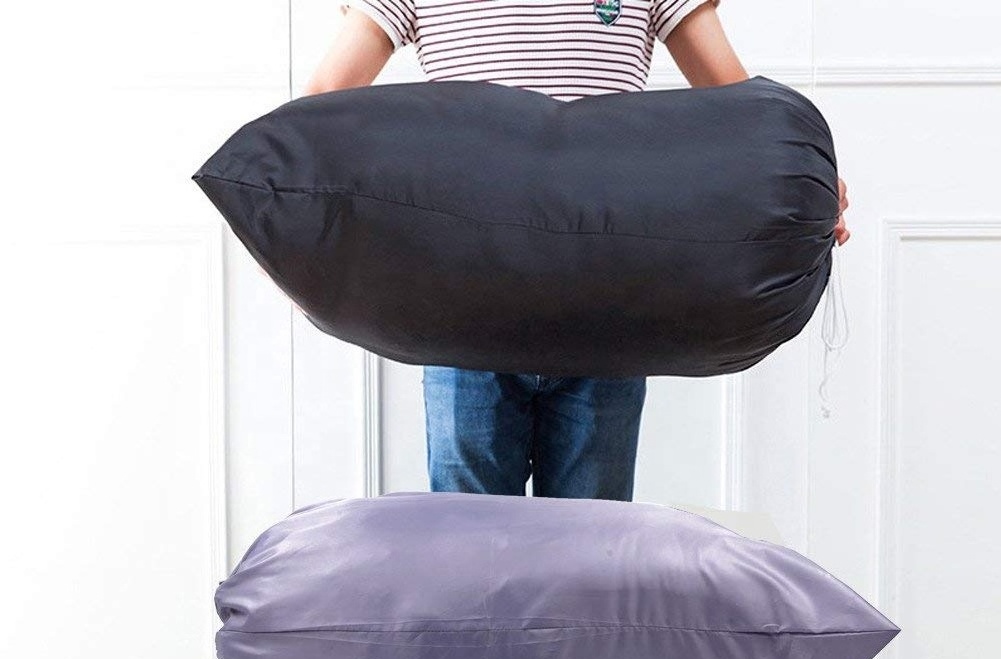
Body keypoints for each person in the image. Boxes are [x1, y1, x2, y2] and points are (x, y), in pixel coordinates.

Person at [303, 1, 850, 500]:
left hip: (604, 311)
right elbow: (326, 95)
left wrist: (810, 186)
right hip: (466, 312)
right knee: (470, 544)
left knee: (593, 543)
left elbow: (742, 112)